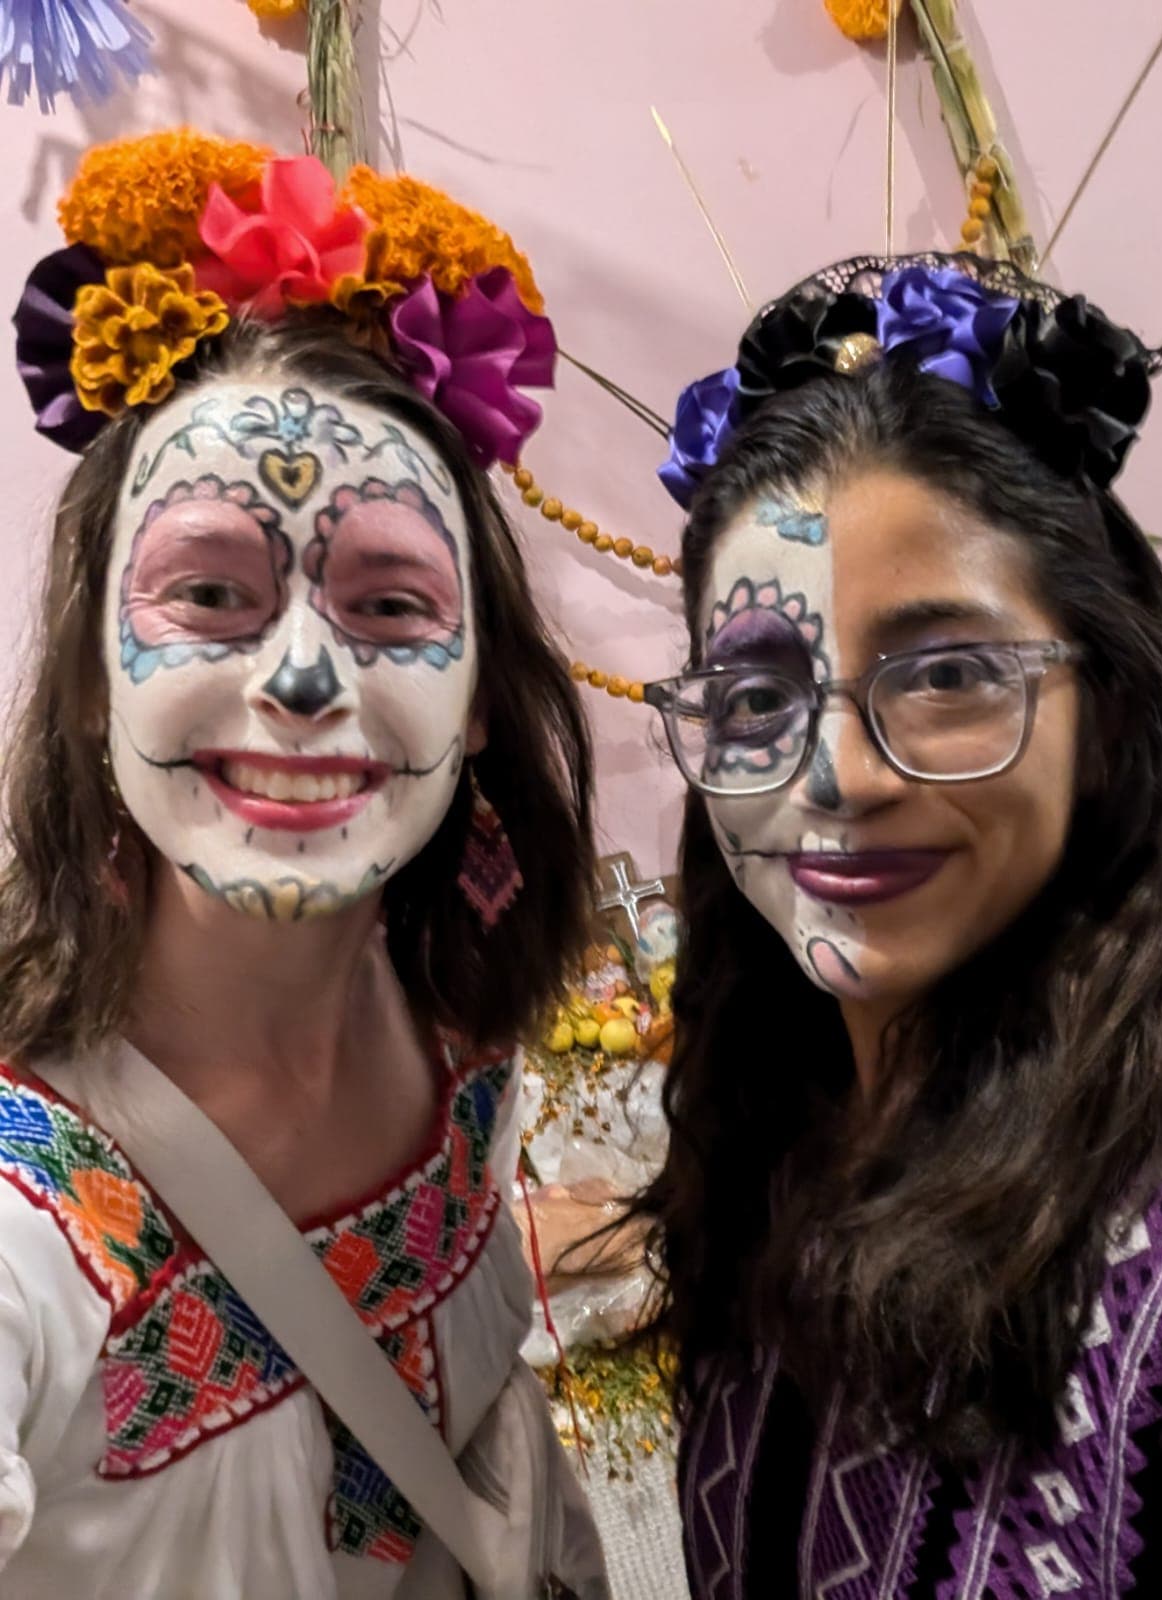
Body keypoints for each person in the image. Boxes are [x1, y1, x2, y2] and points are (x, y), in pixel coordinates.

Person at [0, 129, 606, 1597]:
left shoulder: (465, 1027)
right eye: (211, 593)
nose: (306, 677)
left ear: (474, 708)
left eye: (390, 604)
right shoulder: (27, 1211)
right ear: (93, 681)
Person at [641, 254, 1162, 1597]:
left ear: (1106, 709)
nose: (836, 774)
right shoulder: (775, 1146)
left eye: (946, 673)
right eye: (759, 693)